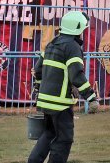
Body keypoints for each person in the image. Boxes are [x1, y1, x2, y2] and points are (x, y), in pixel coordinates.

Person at [28, 10, 99, 163]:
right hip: (60, 104)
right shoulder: (72, 47)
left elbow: (38, 70)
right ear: (78, 29)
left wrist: (40, 90)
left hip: (45, 102)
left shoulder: (51, 44)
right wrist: (91, 97)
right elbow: (76, 75)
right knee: (64, 139)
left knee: (49, 134)